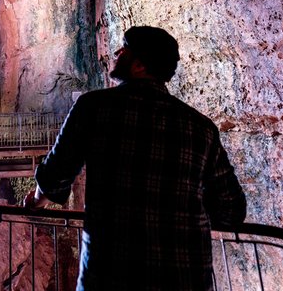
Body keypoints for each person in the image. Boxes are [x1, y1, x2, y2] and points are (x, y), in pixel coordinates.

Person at [24, 26, 246, 291]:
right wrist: (183, 215)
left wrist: (37, 201)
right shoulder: (201, 127)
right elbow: (232, 208)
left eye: (124, 50)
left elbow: (56, 173)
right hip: (186, 276)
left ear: (139, 65)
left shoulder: (94, 107)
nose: (117, 53)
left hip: (111, 274)